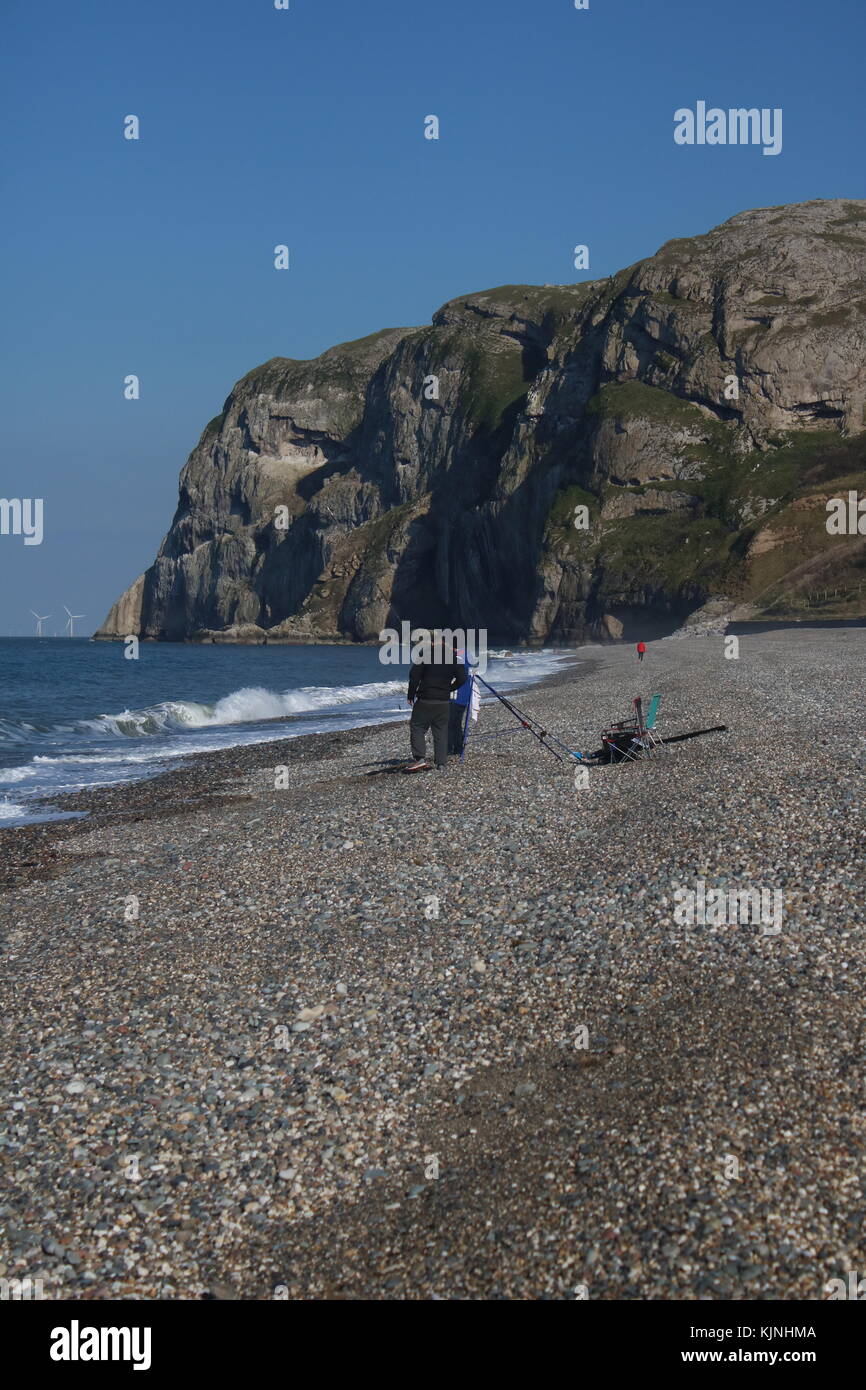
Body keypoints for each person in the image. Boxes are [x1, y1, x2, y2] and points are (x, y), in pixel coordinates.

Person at [405, 633, 468, 772]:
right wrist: (450, 688)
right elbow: (463, 678)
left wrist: (410, 695)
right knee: (440, 731)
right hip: (443, 700)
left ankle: (420, 758)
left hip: (425, 698)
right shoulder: (453, 658)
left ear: (432, 643)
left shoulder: (424, 654)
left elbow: (414, 676)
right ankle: (441, 763)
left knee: (417, 727)